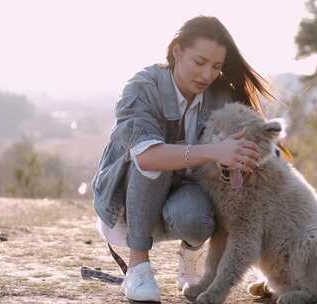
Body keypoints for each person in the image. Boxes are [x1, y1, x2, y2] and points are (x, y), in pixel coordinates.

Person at [91, 15, 277, 302]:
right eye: (199, 62)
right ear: (177, 50)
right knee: (154, 154)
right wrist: (216, 151)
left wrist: (237, 160)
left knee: (197, 218)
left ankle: (191, 252)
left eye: (216, 67)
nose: (207, 75)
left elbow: (255, 149)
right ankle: (138, 268)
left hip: (183, 201)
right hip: (129, 208)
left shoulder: (220, 96)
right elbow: (148, 157)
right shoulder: (142, 88)